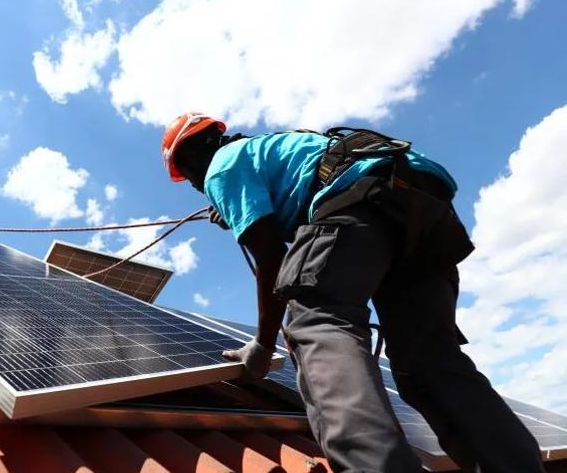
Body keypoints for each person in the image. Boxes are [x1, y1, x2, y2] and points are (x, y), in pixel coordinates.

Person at [161, 112, 544, 472]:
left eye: (190, 178)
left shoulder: (222, 167)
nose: (197, 187)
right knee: (427, 361)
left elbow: (272, 256)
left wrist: (262, 345)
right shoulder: (269, 147)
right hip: (423, 206)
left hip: (358, 200)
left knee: (318, 319)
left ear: (193, 159)